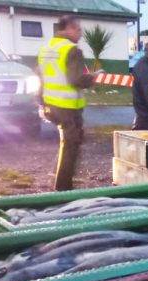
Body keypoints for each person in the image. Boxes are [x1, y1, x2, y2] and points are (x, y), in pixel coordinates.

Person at [37, 15, 95, 191]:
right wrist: (92, 78)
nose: (80, 34)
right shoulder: (72, 50)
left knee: (69, 141)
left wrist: (40, 102)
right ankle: (63, 188)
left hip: (50, 103)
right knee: (71, 145)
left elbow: (40, 77)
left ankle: (57, 173)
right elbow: (76, 79)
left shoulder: (46, 48)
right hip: (67, 106)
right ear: (69, 28)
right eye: (78, 30)